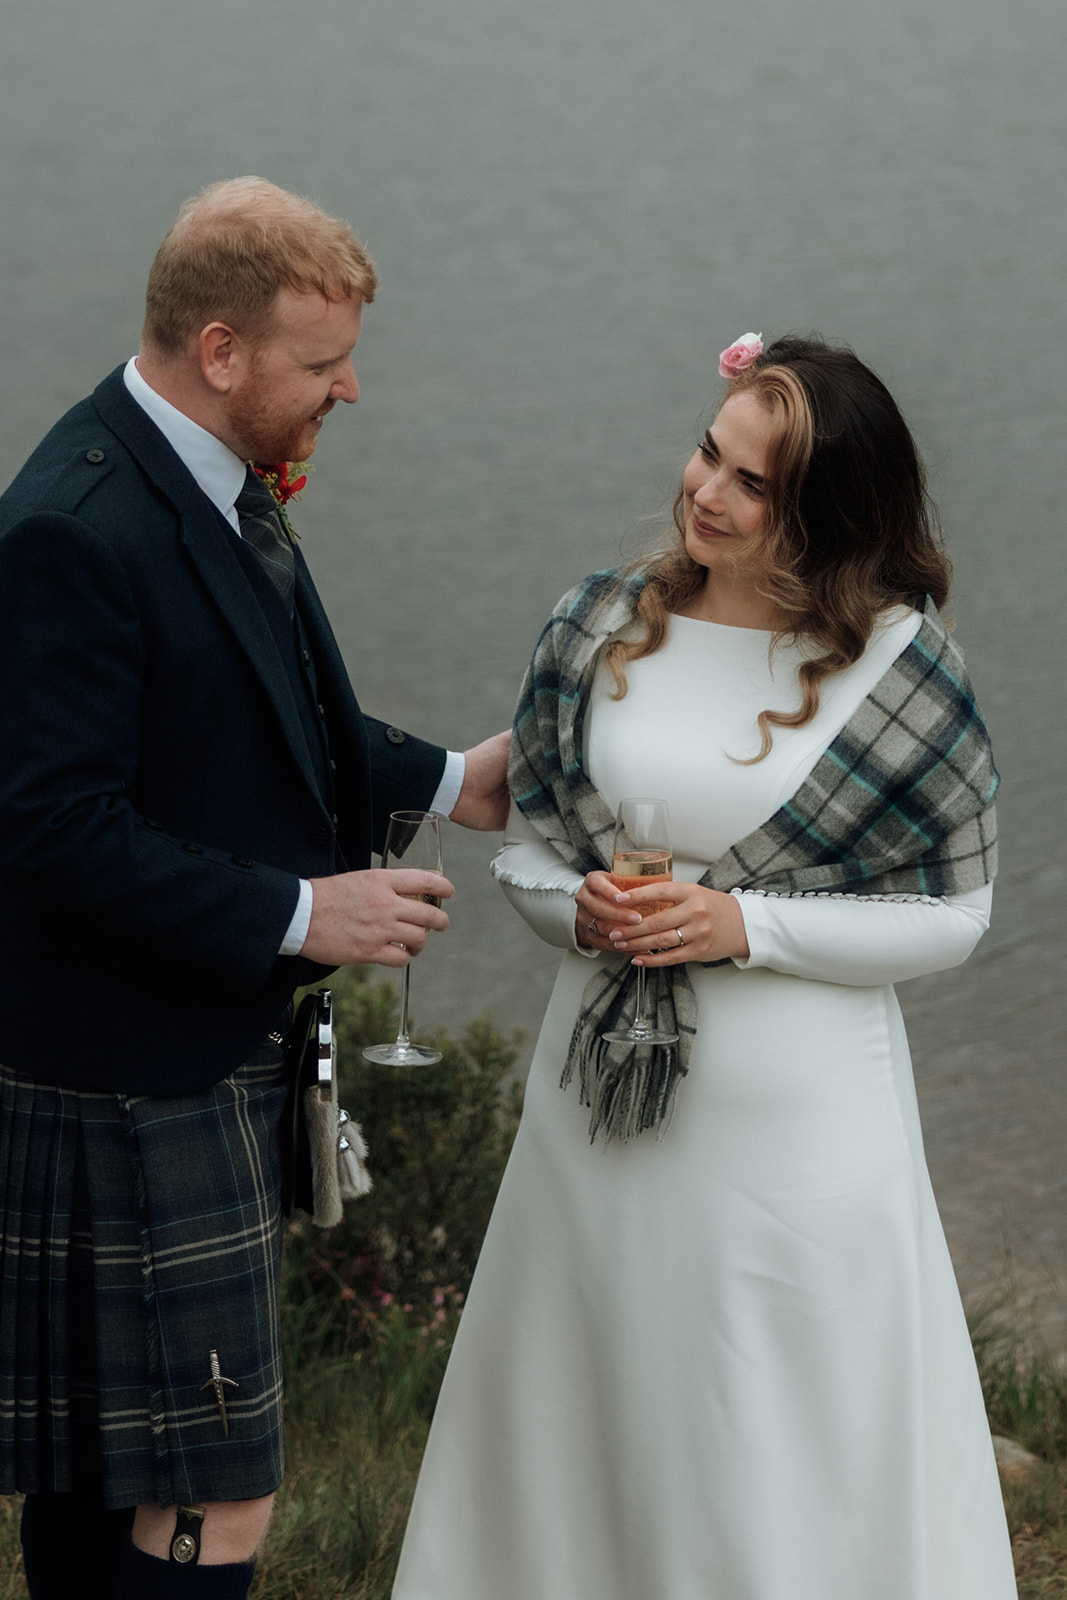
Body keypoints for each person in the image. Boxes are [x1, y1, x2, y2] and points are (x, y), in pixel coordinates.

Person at [391, 333, 1017, 1599]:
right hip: (594, 1117)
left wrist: (748, 928)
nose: (706, 493)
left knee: (776, 1423)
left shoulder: (901, 666)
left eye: (753, 483)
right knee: (590, 1405)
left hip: (796, 1135)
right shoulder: (601, 624)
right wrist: (582, 915)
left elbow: (953, 916)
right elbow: (527, 852)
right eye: (706, 452)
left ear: (827, 512)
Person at [0, 177, 509, 1600]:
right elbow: (47, 828)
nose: (347, 391)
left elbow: (266, 710)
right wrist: (301, 915)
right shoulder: (72, 527)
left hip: (181, 1053)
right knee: (210, 1497)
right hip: (128, 1076)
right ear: (218, 350)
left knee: (105, 1486)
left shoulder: (202, 477)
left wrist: (454, 779)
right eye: (320, 362)